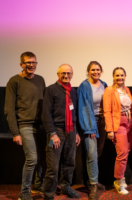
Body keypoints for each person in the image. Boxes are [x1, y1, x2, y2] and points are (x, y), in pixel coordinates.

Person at [4, 52, 46, 200]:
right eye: (28, 62)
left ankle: (37, 186)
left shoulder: (40, 80)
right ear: (21, 64)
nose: (31, 65)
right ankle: (24, 193)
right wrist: (15, 133)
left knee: (43, 158)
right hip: (25, 125)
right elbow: (9, 109)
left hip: (41, 126)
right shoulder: (13, 81)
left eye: (34, 62)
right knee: (32, 159)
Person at [42, 64, 81, 200]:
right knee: (53, 166)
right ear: (58, 74)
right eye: (63, 73)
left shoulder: (74, 91)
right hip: (56, 131)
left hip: (71, 130)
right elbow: (46, 114)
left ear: (72, 74)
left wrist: (76, 133)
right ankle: (48, 194)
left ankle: (66, 187)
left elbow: (74, 112)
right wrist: (52, 134)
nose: (66, 76)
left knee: (70, 162)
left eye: (68, 73)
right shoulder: (51, 89)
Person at [77, 61, 107, 199]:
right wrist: (90, 128)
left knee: (98, 153)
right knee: (92, 155)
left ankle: (92, 180)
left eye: (98, 69)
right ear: (88, 71)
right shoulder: (84, 86)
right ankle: (93, 186)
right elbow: (83, 108)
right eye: (93, 70)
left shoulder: (104, 85)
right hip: (90, 122)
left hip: (102, 122)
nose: (96, 72)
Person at [103, 67, 132, 195]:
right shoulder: (109, 90)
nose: (119, 78)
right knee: (121, 153)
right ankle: (119, 181)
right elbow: (107, 111)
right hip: (118, 124)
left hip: (129, 123)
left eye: (122, 75)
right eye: (117, 75)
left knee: (126, 151)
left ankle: (121, 177)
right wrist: (109, 130)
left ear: (125, 76)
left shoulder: (127, 89)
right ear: (113, 77)